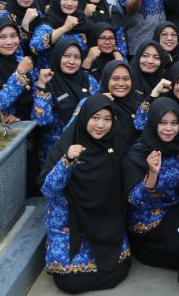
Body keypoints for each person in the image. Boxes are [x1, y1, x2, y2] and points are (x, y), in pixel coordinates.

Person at [39, 95, 131, 294]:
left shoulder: (116, 145)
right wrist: (67, 162)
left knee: (119, 269)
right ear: (84, 117)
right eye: (95, 117)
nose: (101, 125)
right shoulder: (65, 146)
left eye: (107, 119)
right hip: (71, 223)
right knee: (69, 283)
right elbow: (48, 190)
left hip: (106, 222)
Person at [122, 97, 179, 269]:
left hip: (177, 204)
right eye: (162, 123)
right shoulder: (138, 154)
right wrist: (152, 174)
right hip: (148, 214)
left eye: (174, 123)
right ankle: (143, 250)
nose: (169, 129)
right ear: (152, 122)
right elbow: (135, 201)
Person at [32, 37, 99, 164]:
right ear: (57, 56)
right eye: (66, 56)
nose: (71, 61)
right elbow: (41, 120)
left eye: (77, 57)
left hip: (86, 147)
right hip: (56, 151)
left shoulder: (88, 80)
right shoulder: (46, 82)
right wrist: (42, 85)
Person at [30, 0, 90, 70]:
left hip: (76, 75)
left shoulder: (82, 22)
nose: (69, 3)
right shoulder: (47, 25)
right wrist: (64, 28)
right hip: (49, 76)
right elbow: (34, 48)